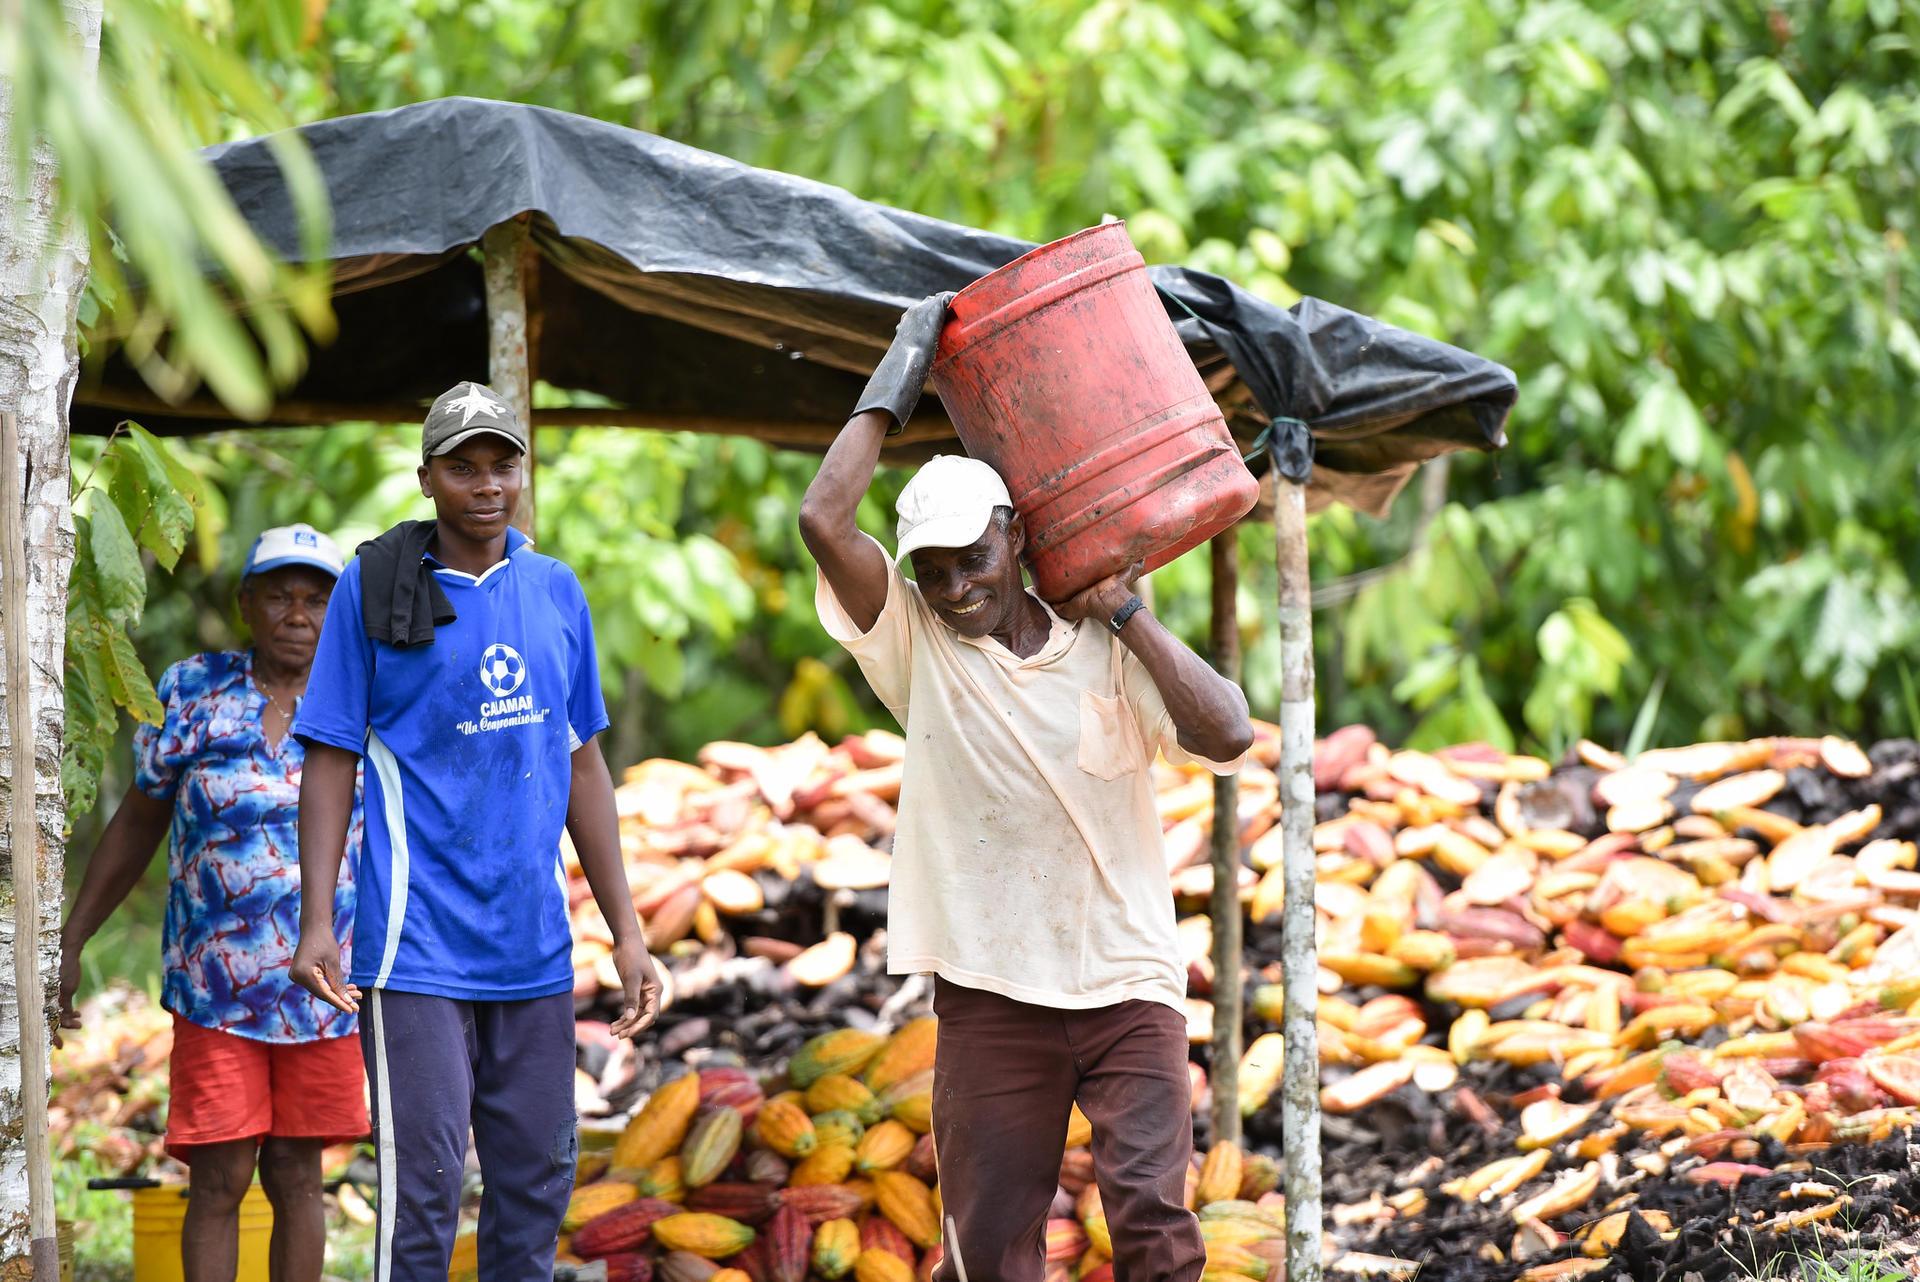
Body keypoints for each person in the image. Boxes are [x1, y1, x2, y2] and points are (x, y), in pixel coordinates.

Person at [799, 294, 1255, 1282]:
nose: (957, 587)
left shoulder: (1106, 646)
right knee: (991, 1245)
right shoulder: (915, 646)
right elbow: (821, 517)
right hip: (992, 987)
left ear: (1013, 537)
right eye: (934, 572)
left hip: (1127, 978)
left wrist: (1126, 608)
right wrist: (902, 364)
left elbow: (1228, 732)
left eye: (973, 559)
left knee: (1152, 1224)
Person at [287, 381, 662, 1282]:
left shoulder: (555, 591)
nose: (487, 485)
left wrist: (629, 932)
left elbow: (582, 767)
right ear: (427, 480)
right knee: (426, 1189)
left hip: (533, 949)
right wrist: (314, 923)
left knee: (536, 1183)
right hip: (415, 951)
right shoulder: (373, 592)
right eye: (463, 468)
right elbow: (332, 758)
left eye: (503, 466)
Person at [58, 524, 366, 1282]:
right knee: (220, 1179)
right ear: (246, 604)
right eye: (279, 596)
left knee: (298, 1177)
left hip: (327, 992)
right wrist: (72, 938)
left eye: (319, 599)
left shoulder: (367, 698)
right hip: (215, 991)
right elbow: (139, 820)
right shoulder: (194, 691)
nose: (299, 614)